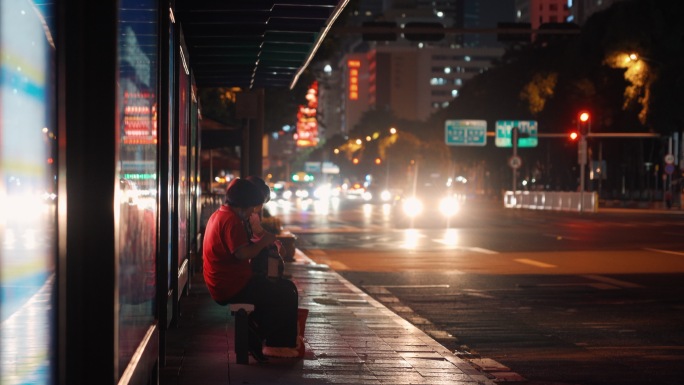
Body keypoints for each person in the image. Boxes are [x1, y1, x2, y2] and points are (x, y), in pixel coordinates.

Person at [203, 178, 300, 361]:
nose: (251, 214)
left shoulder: (221, 215)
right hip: (231, 286)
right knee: (286, 293)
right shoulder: (232, 221)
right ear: (243, 206)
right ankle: (273, 343)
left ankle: (264, 337)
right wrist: (265, 241)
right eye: (251, 209)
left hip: (225, 282)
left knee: (285, 289)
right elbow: (242, 253)